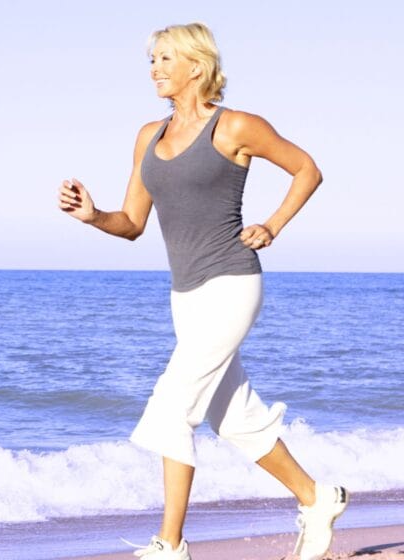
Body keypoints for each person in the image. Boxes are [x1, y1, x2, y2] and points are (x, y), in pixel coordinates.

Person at [57, 22, 348, 560]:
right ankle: (317, 497)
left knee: (171, 408)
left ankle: (170, 545)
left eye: (166, 58)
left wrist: (273, 225)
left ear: (197, 64)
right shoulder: (150, 135)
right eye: (151, 60)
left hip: (232, 281)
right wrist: (94, 215)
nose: (155, 69)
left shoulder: (235, 126)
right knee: (231, 417)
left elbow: (307, 169)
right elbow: (132, 223)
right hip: (185, 294)